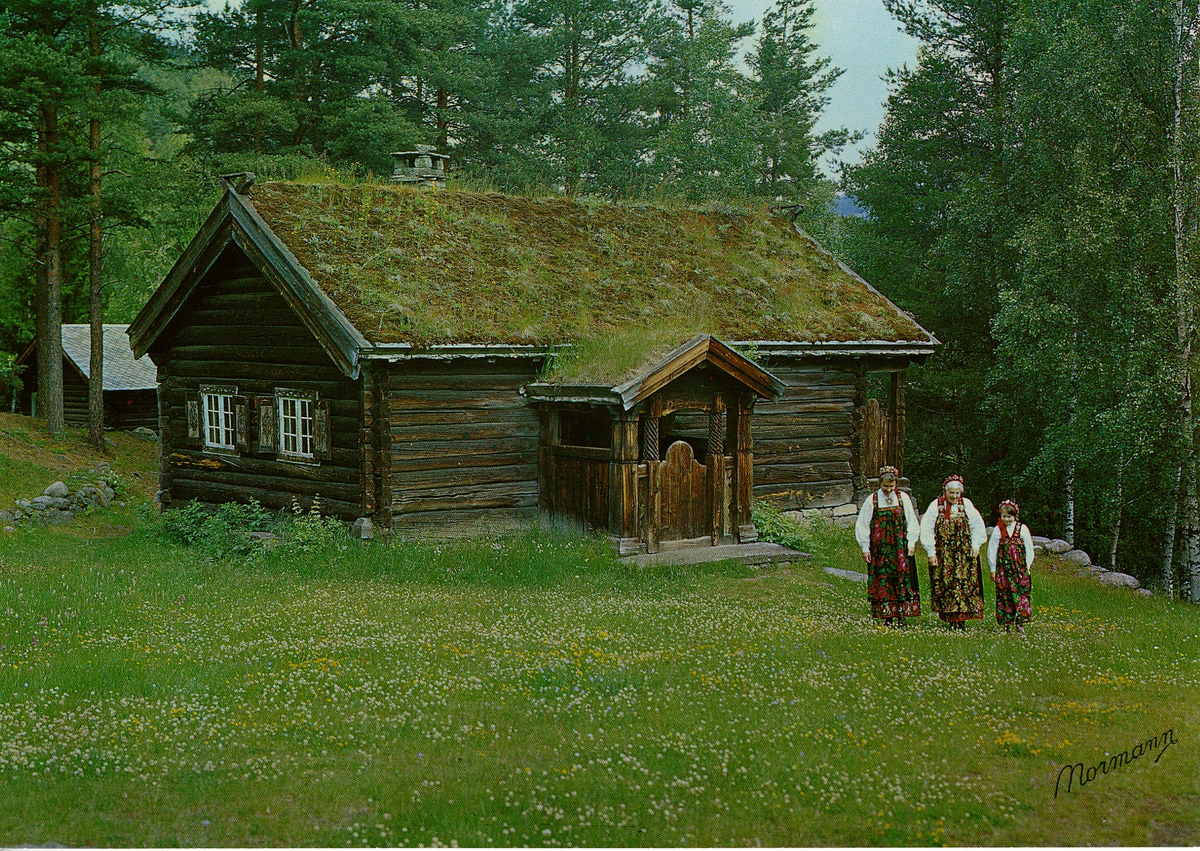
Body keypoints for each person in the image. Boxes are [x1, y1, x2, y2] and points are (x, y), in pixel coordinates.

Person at [855, 466, 922, 626]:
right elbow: (862, 524)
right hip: (880, 549)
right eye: (885, 486)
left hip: (899, 548)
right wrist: (865, 547)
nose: (888, 489)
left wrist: (911, 542)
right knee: (883, 579)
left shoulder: (903, 498)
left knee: (900, 578)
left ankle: (901, 615)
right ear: (880, 484)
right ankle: (886, 616)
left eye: (891, 486)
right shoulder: (872, 500)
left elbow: (912, 521)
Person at [919, 475, 987, 630]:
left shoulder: (967, 505)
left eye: (957, 493)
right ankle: (951, 619)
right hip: (944, 555)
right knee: (947, 584)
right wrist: (931, 552)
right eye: (952, 493)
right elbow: (927, 529)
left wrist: (976, 545)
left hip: (965, 555)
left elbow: (978, 525)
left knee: (964, 585)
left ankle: (962, 620)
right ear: (945, 491)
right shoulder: (936, 506)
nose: (955, 496)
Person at [986, 499, 1035, 634]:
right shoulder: (998, 530)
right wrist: (993, 568)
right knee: (1005, 596)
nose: (1006, 519)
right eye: (1004, 516)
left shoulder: (1022, 529)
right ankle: (1006, 624)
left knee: (1020, 596)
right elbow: (992, 549)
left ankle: (1020, 624)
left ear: (1015, 516)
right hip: (1003, 570)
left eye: (1009, 516)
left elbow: (1029, 549)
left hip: (1019, 570)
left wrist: (1027, 567)